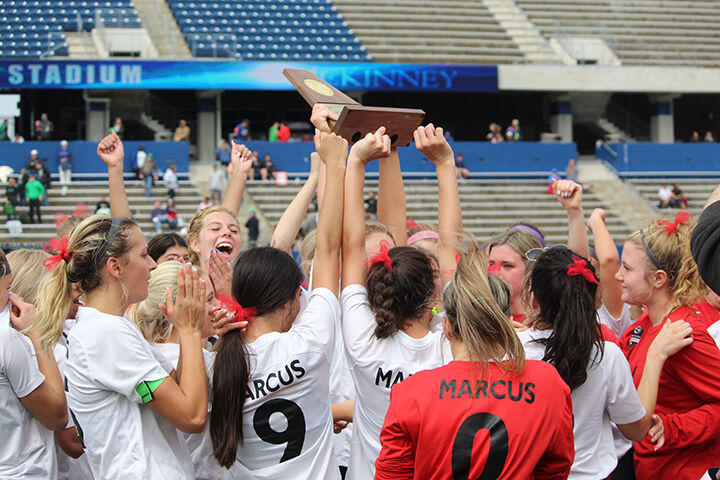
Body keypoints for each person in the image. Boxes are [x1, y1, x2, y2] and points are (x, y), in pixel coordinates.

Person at [208, 128, 346, 478]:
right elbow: (329, 247)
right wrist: (334, 162)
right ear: (289, 303)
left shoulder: (216, 362)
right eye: (300, 294)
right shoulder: (310, 342)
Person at [34, 214, 209, 479]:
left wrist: (186, 328)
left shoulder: (113, 325)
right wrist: (190, 330)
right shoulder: (106, 333)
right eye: (144, 255)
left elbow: (179, 388)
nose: (152, 265)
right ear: (115, 267)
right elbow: (192, 417)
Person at [375, 248, 575, 479]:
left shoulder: (410, 393)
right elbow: (555, 468)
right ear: (507, 323)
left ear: (447, 326)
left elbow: (391, 475)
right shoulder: (547, 383)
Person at [342, 124, 460, 480]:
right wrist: (444, 164)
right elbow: (451, 247)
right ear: (435, 294)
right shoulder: (451, 343)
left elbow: (350, 245)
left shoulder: (363, 342)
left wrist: (356, 163)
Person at [519, 246, 664, 478]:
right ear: (593, 300)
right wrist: (656, 357)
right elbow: (636, 430)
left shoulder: (511, 352)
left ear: (533, 299)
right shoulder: (606, 355)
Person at [616, 213, 720, 479]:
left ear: (659, 279)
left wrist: (674, 427)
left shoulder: (684, 334)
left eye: (627, 268)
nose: (617, 275)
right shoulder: (645, 325)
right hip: (653, 468)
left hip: (685, 470)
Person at [0, 248, 69, 478]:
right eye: (8, 290)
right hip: (23, 470)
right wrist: (40, 337)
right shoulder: (11, 340)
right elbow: (58, 418)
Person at [487, 225, 545, 323]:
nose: (496, 273)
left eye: (507, 266)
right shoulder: (477, 316)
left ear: (531, 268)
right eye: (491, 264)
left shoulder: (551, 321)